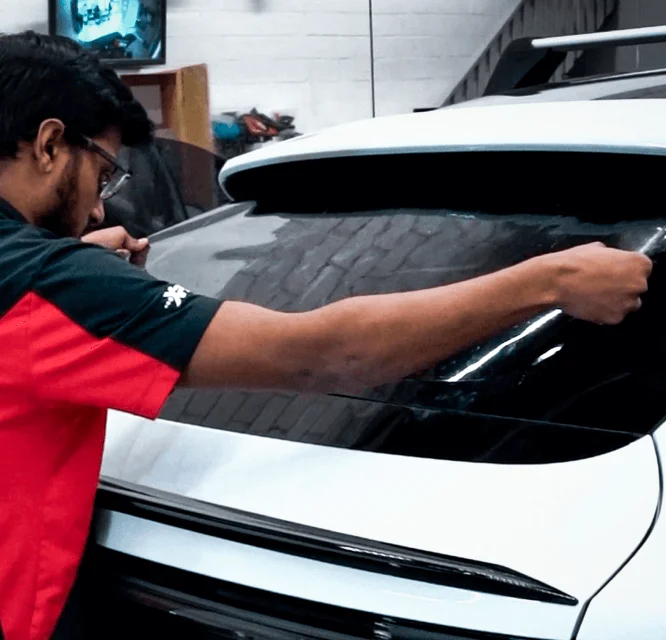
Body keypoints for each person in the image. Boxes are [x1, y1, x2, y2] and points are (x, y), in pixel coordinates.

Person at [0, 30, 652, 640]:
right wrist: (549, 281)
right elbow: (324, 355)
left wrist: (81, 280)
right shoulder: (52, 287)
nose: (99, 207)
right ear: (51, 144)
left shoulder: (39, 280)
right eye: (103, 171)